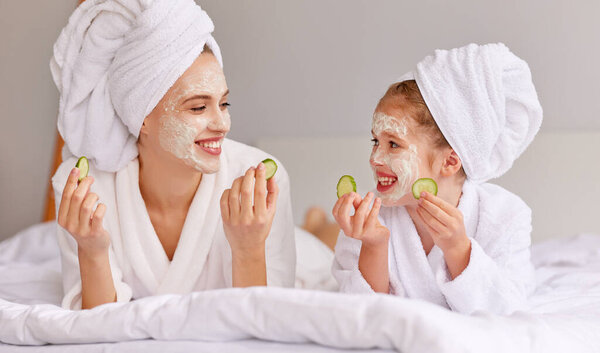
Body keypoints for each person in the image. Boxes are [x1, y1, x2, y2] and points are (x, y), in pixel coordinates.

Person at [51, 0, 295, 310]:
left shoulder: (260, 182)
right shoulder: (85, 188)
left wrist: (249, 248)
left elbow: (270, 321)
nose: (222, 125)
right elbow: (96, 326)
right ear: (142, 117)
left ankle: (316, 224)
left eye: (223, 104)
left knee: (319, 245)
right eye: (197, 107)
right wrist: (91, 250)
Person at [332, 43, 542, 314]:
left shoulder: (506, 217)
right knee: (323, 236)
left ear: (450, 161)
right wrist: (373, 245)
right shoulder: (367, 217)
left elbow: (507, 309)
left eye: (393, 144)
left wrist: (458, 250)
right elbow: (357, 313)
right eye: (375, 141)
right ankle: (316, 224)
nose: (374, 158)